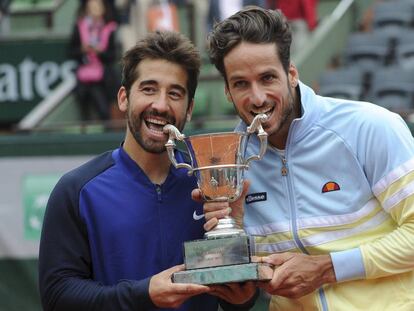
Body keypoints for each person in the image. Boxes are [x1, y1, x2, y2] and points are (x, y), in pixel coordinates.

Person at [199, 6, 414, 310]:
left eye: (268, 78)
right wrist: (233, 241)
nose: (257, 97)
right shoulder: (229, 162)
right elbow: (247, 288)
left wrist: (328, 267)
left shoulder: (370, 127)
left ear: (292, 74)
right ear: (227, 91)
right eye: (241, 84)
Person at [39, 30, 257, 310]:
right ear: (123, 98)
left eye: (174, 93)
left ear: (189, 109)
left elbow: (234, 294)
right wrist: (144, 294)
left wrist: (242, 297)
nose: (160, 105)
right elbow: (57, 297)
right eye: (148, 89)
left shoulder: (210, 188)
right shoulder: (77, 190)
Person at [69, 0, 119, 122]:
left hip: (102, 79)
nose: (94, 10)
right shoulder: (79, 26)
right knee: (84, 113)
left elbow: (113, 56)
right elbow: (71, 52)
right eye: (91, 7)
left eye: (98, 6)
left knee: (104, 111)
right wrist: (82, 50)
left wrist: (100, 52)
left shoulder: (109, 28)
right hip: (84, 78)